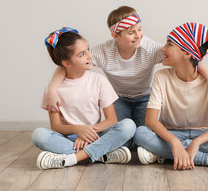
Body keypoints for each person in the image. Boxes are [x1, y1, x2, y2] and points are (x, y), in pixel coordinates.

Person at [45, 6, 208, 147]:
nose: (138, 35)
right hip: (119, 100)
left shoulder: (150, 49)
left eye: (140, 29)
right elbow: (72, 61)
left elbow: (186, 58)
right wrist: (53, 90)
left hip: (145, 99)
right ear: (115, 35)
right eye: (131, 32)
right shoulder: (104, 52)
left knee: (141, 136)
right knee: (122, 140)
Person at [133, 22, 208, 171]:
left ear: (187, 53)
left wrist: (196, 143)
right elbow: (150, 120)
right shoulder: (161, 77)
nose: (163, 48)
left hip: (203, 134)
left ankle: (162, 155)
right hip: (171, 133)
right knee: (140, 133)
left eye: (170, 44)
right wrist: (175, 142)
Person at [32, 27, 136, 170]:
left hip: (97, 135)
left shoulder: (99, 80)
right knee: (38, 135)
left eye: (88, 49)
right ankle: (101, 154)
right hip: (70, 138)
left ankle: (73, 158)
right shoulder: (54, 91)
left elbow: (112, 120)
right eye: (82, 54)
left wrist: (87, 132)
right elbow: (56, 127)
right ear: (66, 63)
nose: (89, 56)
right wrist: (79, 130)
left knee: (129, 126)